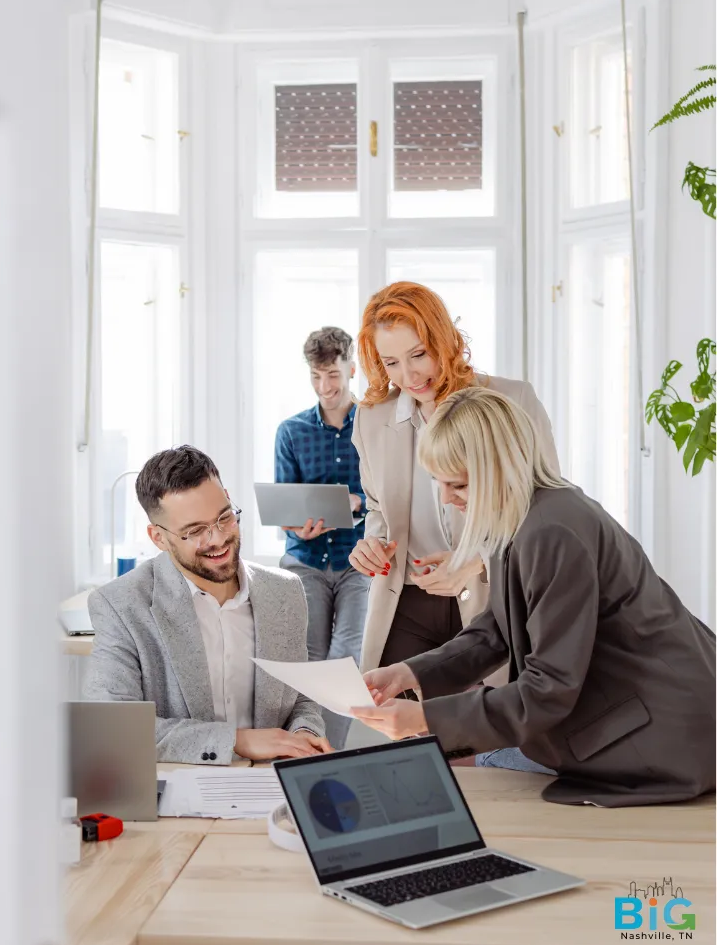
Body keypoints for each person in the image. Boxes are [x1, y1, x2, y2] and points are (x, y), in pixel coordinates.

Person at [353, 387, 716, 807]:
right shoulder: (527, 515)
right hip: (652, 713)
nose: (447, 498)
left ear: (498, 470)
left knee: (456, 767)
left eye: (459, 484)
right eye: (439, 482)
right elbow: (497, 630)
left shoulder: (551, 532)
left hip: (662, 733)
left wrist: (426, 718)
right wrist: (408, 674)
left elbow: (549, 686)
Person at [349, 281, 560, 684]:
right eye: (391, 362)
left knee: (486, 731)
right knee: (404, 728)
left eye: (418, 354)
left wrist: (476, 559)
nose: (408, 376)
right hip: (407, 598)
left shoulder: (512, 400)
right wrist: (372, 545)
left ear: (443, 341)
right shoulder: (373, 418)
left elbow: (546, 506)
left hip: (490, 593)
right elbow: (377, 506)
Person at [84, 446, 330, 765]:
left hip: (271, 782)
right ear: (158, 537)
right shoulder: (121, 605)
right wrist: (237, 741)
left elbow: (300, 696)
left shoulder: (285, 590)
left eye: (224, 517)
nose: (217, 539)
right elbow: (111, 726)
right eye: (196, 531)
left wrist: (303, 733)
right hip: (180, 791)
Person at [275, 327, 370, 748]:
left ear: (351, 368)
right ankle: (309, 746)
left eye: (333, 375)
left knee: (346, 658)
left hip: (358, 559)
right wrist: (296, 525)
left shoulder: (374, 426)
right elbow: (284, 506)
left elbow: (394, 493)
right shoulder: (291, 431)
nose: (325, 386)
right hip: (306, 560)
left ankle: (328, 752)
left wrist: (357, 502)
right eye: (317, 376)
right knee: (309, 660)